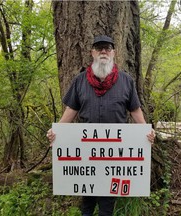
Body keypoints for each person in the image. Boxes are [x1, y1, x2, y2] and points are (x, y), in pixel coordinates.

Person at [47, 35, 155, 216]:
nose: (103, 51)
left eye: (107, 48)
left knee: (107, 205)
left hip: (115, 155)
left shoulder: (126, 81)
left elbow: (135, 111)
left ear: (113, 52)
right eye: (99, 48)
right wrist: (56, 131)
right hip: (86, 154)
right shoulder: (80, 81)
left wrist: (146, 131)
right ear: (92, 53)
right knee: (87, 204)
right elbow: (71, 110)